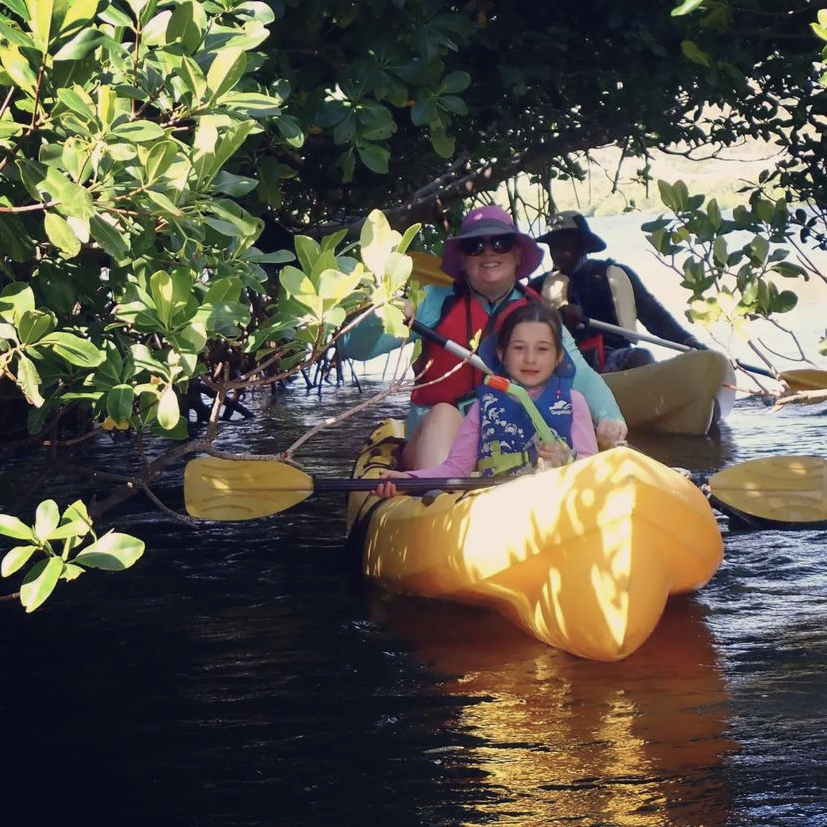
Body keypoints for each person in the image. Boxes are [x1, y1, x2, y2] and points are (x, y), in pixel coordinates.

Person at [337, 205, 627, 469]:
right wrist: (382, 314)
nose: (489, 253)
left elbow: (580, 373)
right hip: (441, 438)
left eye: (500, 244)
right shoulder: (428, 302)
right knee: (443, 413)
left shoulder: (537, 313)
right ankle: (438, 500)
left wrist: (610, 416)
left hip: (510, 439)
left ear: (517, 255)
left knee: (561, 414)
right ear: (462, 260)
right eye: (475, 246)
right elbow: (353, 349)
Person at [373, 303, 599, 496]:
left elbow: (594, 467)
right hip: (498, 508)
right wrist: (407, 479)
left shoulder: (574, 402)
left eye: (542, 349)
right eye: (519, 348)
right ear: (502, 354)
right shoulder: (484, 407)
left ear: (558, 356)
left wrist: (569, 458)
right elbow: (455, 469)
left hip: (558, 501)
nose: (530, 359)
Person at [532, 211, 707, 373]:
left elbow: (654, 316)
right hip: (562, 364)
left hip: (613, 359)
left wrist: (688, 341)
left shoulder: (613, 275)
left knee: (641, 356)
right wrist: (557, 317)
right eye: (554, 246)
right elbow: (522, 325)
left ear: (583, 246)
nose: (559, 252)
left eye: (566, 245)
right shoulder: (537, 287)